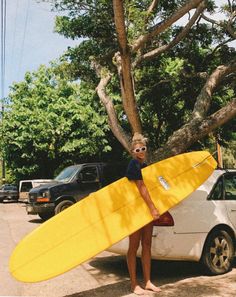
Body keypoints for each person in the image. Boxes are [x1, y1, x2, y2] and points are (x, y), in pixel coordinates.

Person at [126, 132, 161, 295]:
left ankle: (147, 281)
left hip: (145, 210)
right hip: (135, 211)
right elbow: (141, 187)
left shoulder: (145, 167)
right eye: (137, 150)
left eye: (142, 149)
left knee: (147, 244)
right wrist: (153, 208)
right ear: (133, 152)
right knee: (133, 247)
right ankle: (134, 284)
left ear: (146, 150)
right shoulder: (133, 164)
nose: (140, 151)